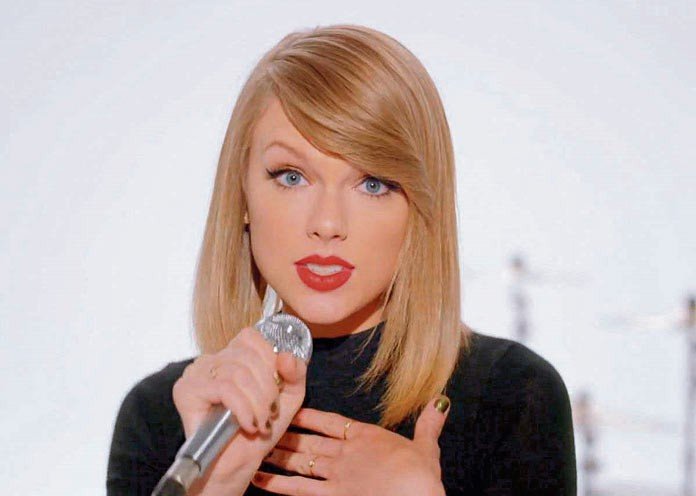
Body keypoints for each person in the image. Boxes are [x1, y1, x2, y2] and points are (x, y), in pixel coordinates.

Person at [107, 24, 576, 495]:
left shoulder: (511, 395)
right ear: (242, 195)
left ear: (419, 207)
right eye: (291, 177)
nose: (328, 222)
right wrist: (217, 484)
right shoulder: (164, 418)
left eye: (372, 183)